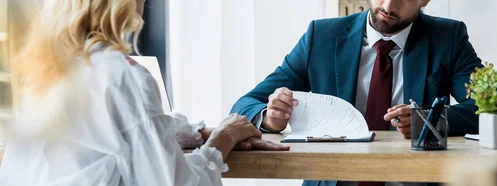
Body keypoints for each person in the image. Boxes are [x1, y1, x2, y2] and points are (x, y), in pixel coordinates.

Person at [0, 0, 289, 185]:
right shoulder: (122, 75)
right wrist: (221, 139)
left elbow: (119, 132)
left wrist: (202, 132)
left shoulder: (45, 69)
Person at [231, 0, 482, 185]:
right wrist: (269, 117)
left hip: (415, 180)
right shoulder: (321, 36)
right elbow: (245, 104)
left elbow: (488, 108)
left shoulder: (448, 37)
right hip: (332, 180)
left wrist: (428, 120)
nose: (388, 5)